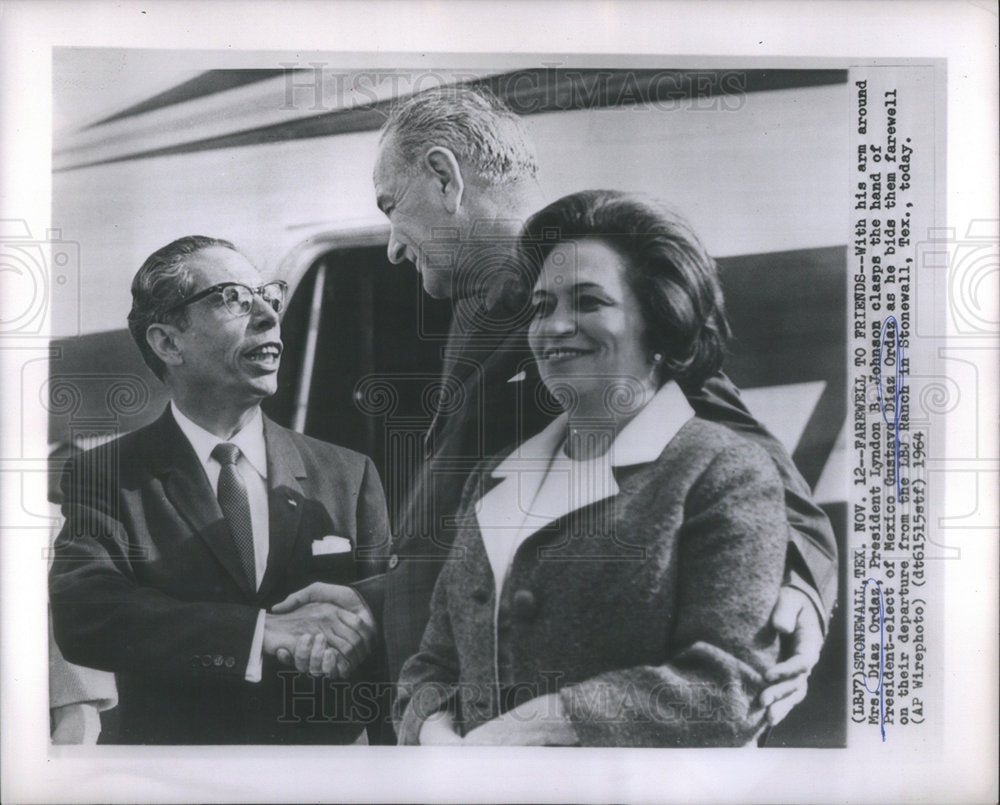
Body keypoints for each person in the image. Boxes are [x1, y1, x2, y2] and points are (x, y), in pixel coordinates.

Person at [274, 85, 837, 729]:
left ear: (444, 176)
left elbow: (760, 472)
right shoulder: (476, 306)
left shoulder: (578, 312)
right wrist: (379, 600)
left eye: (391, 206)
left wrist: (799, 592)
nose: (394, 246)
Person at [395, 190, 788, 746]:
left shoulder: (721, 473)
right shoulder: (495, 478)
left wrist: (544, 725)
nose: (555, 326)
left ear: (660, 318)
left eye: (588, 301)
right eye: (542, 307)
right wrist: (435, 734)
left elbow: (728, 688)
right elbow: (431, 664)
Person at [49, 236, 389, 744]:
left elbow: (390, 638)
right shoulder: (108, 475)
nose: (269, 316)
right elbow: (86, 613)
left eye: (268, 295)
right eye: (233, 297)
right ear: (168, 342)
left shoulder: (348, 472)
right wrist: (258, 633)